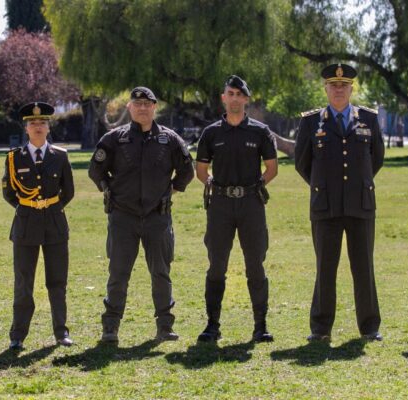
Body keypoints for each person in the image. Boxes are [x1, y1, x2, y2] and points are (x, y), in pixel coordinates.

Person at [88, 87, 194, 343]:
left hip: (157, 217)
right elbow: (95, 171)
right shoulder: (114, 140)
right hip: (123, 217)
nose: (143, 108)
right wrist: (108, 190)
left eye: (148, 104)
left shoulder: (170, 140)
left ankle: (165, 326)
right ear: (129, 108)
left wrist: (171, 191)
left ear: (155, 107)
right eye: (138, 104)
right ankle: (110, 327)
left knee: (161, 272)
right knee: (118, 273)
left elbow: (187, 171)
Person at [294, 63, 385, 342]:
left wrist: (358, 183)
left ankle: (369, 327)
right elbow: (302, 163)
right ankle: (320, 329)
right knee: (325, 268)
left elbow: (376, 158)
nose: (338, 90)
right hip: (326, 206)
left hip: (360, 205)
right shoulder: (311, 122)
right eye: (333, 85)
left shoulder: (368, 119)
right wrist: (324, 186)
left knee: (363, 267)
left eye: (343, 85)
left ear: (351, 89)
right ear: (325, 88)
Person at [195, 75, 278, 343]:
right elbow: (201, 169)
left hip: (251, 204)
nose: (234, 98)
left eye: (238, 94)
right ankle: (212, 325)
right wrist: (212, 184)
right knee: (217, 266)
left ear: (245, 99)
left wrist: (256, 186)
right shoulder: (211, 133)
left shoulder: (260, 131)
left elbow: (272, 168)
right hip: (220, 205)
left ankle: (260, 326)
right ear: (223, 97)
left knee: (255, 265)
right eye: (229, 93)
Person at [2, 102, 75, 350]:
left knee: (57, 282)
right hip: (25, 225)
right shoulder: (14, 158)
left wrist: (50, 207)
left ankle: (61, 332)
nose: (38, 127)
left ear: (48, 127)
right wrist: (30, 207)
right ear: (26, 128)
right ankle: (18, 335)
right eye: (33, 123)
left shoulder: (60, 156)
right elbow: (10, 193)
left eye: (42, 123)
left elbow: (69, 191)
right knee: (24, 282)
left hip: (54, 223)